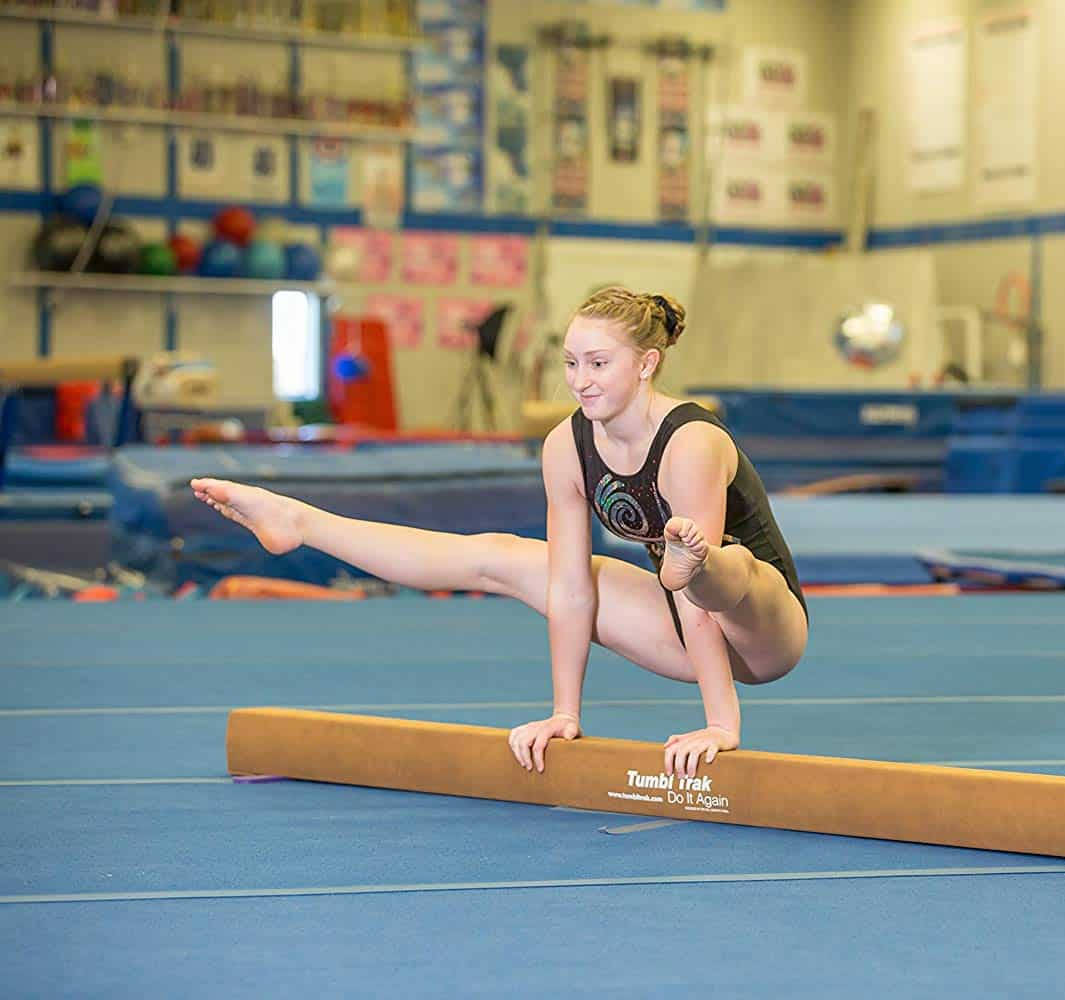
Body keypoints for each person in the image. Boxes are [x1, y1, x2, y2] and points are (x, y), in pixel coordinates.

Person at [191, 287, 808, 780]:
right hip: (676, 628)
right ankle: (300, 522)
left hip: (764, 627)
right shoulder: (567, 446)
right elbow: (569, 590)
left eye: (599, 363)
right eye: (571, 363)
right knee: (499, 556)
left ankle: (692, 562)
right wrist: (565, 714)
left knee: (720, 569)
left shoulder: (691, 442)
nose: (580, 379)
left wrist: (720, 725)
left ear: (647, 364)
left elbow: (701, 608)